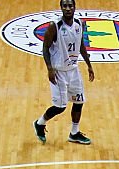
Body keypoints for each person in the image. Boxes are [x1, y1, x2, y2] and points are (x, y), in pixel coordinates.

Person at [33, 0, 95, 145]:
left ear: (75, 7)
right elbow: (45, 48)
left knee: (79, 101)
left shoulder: (79, 24)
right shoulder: (54, 26)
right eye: (65, 6)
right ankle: (40, 123)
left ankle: (74, 133)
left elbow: (80, 45)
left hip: (73, 70)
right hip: (59, 71)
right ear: (61, 8)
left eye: (70, 6)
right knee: (60, 107)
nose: (68, 8)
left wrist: (89, 65)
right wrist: (49, 69)